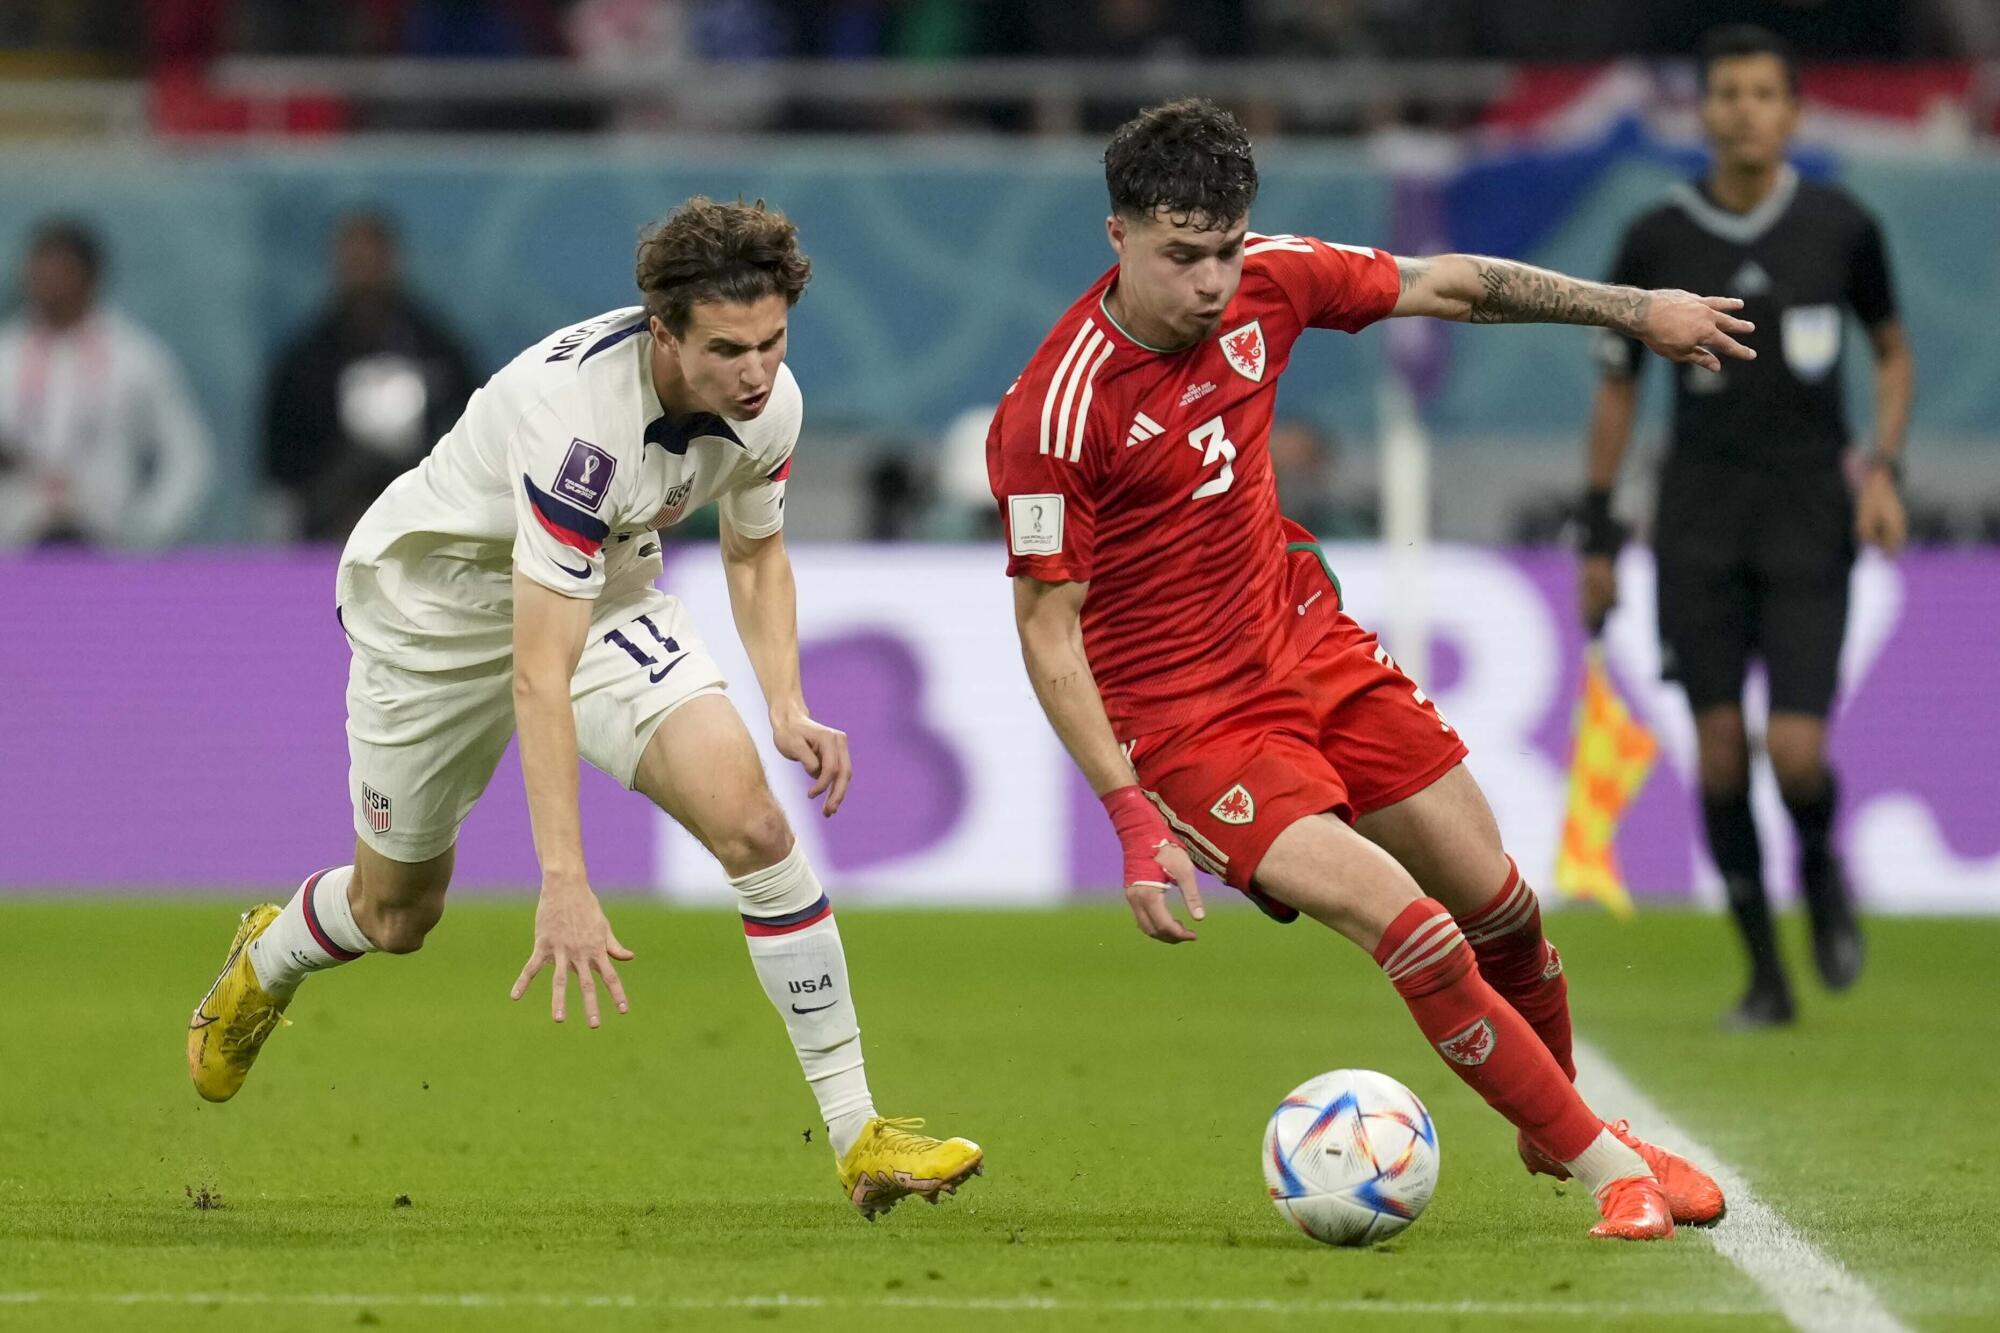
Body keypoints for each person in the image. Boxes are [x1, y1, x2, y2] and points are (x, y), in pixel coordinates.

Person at [988, 98, 1751, 1240]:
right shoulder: (1053, 412)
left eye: (1224, 250)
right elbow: (1047, 630)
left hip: (1305, 643)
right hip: (1194, 729)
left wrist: (1632, 308)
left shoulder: (1271, 282)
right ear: (1117, 236)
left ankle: (1559, 1126)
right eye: (1179, 256)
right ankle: (1608, 1168)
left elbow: (1450, 284)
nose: (1208, 282)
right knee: (1414, 927)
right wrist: (1128, 813)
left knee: (1496, 903)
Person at [189, 197, 981, 1218]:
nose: (754, 370)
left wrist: (785, 702)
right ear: (665, 332)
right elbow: (536, 673)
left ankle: (858, 1132)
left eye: (772, 341)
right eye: (728, 348)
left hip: (600, 592)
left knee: (752, 821)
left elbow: (752, 547)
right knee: (399, 912)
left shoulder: (766, 399)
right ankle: (271, 952)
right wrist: (564, 877)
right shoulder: (580, 425)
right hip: (433, 615)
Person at [1579, 26, 1913, 1029]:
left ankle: (1815, 863)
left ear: (1791, 112)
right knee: (1719, 754)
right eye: (1724, 92)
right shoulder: (1653, 240)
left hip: (1811, 516)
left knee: (1794, 753)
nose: (1742, 109)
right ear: (1703, 110)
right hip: (1694, 523)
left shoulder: (1839, 225)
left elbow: (1890, 354)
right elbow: (1614, 393)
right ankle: (1764, 976)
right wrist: (1596, 537)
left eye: (1762, 92)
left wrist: (1881, 470)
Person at [262, 211, 481, 540]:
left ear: (392, 262)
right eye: (354, 262)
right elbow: (280, 462)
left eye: (372, 261)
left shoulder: (439, 352)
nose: (364, 274)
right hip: (329, 527)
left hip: (427, 520)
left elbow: (474, 429)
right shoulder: (303, 364)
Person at [0, 219, 216, 547]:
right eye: (38, 270)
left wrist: (149, 527)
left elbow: (188, 454)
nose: (46, 282)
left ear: (91, 276)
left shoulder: (135, 356)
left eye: (60, 272)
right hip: (15, 544)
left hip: (106, 540)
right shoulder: (7, 355)